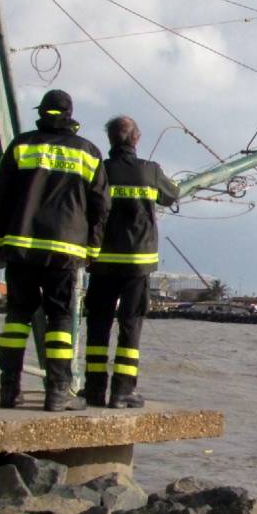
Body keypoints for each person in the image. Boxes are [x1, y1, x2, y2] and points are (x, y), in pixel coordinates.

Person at [0, 89, 109, 412]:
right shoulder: (88, 152)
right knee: (60, 319)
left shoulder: (22, 145)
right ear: (70, 114)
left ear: (41, 112)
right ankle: (57, 392)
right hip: (64, 249)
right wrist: (93, 248)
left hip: (21, 246)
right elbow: (100, 206)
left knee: (17, 317)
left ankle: (9, 390)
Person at [82, 115, 181, 408]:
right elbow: (172, 194)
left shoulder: (99, 170)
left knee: (98, 325)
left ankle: (94, 390)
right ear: (136, 139)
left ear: (110, 139)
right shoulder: (149, 171)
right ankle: (122, 391)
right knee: (130, 325)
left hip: (101, 263)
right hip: (138, 264)